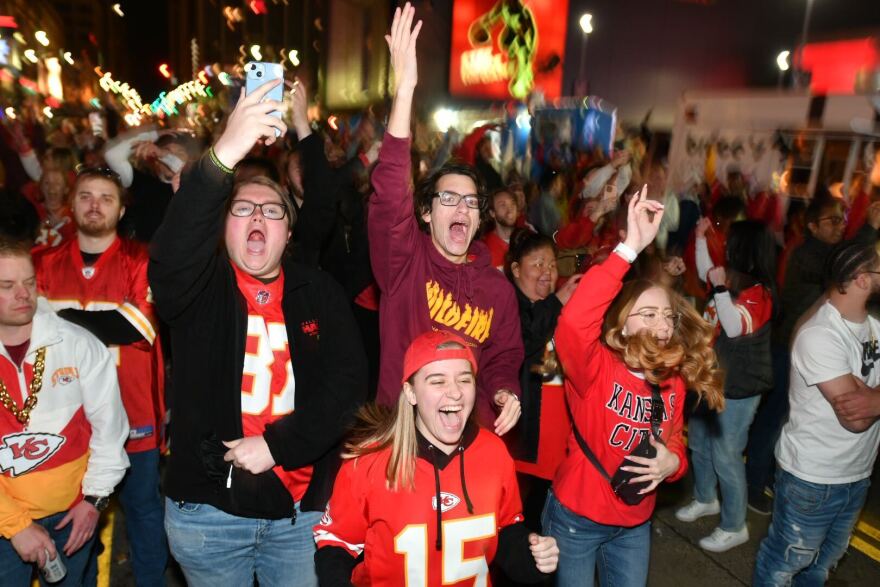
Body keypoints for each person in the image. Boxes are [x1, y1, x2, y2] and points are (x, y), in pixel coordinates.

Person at [148, 76, 367, 587]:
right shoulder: (201, 288)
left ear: (288, 233)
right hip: (210, 516)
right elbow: (173, 253)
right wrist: (224, 150)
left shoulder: (317, 291)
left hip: (298, 514)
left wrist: (277, 445)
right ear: (223, 227)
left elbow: (348, 387)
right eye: (242, 209)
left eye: (271, 212)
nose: (257, 219)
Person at [545, 187, 724, 586]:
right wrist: (629, 248)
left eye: (666, 315)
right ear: (622, 325)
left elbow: (674, 442)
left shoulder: (672, 381)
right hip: (578, 519)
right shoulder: (594, 368)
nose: (662, 325)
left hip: (634, 524)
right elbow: (573, 324)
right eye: (648, 313)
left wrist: (673, 463)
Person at [369, 2, 523, 435]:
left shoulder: (497, 289)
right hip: (400, 439)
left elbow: (502, 357)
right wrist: (405, 93)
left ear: (480, 219)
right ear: (425, 211)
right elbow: (388, 197)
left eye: (471, 203)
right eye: (449, 198)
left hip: (467, 443)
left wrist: (504, 391)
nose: (461, 208)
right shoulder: (405, 264)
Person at [313, 327, 559, 585]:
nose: (454, 392)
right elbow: (336, 546)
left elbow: (506, 531)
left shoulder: (495, 453)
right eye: (438, 380)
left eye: (465, 379)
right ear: (410, 393)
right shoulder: (369, 462)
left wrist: (534, 557)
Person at [33, 166, 168, 585]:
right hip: (64, 418)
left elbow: (135, 327)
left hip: (132, 413)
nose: (95, 205)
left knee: (143, 511)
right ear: (71, 205)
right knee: (72, 518)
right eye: (87, 196)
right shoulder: (42, 263)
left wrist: (58, 317)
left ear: (122, 209)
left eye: (106, 198)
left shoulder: (143, 260)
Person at [0, 237, 129, 586]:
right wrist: (15, 526)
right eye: (7, 286)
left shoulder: (77, 343)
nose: (23, 294)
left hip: (72, 515)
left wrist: (93, 501)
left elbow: (110, 429)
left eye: (28, 282)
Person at [753, 241, 880, 585]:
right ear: (862, 279)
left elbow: (866, 408)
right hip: (812, 479)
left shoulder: (874, 328)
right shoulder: (821, 335)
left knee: (822, 566)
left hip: (856, 474)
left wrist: (873, 399)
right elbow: (855, 419)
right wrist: (870, 401)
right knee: (784, 564)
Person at [747, 194, 880, 514]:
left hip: (808, 348)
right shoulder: (808, 255)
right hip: (791, 348)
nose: (840, 226)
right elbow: (844, 265)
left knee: (786, 415)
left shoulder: (825, 257)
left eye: (842, 219)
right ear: (811, 226)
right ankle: (755, 482)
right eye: (832, 221)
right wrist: (869, 228)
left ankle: (765, 476)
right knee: (778, 417)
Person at [675, 219, 776, 552]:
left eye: (732, 243)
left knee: (727, 455)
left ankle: (735, 525)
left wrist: (719, 289)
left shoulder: (758, 294)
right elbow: (708, 271)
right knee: (700, 443)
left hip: (739, 389)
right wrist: (700, 238)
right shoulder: (732, 277)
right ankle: (706, 498)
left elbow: (733, 327)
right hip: (714, 379)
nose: (727, 247)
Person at [504, 230, 581, 532]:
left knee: (554, 529)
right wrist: (559, 301)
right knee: (523, 526)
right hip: (525, 443)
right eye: (537, 264)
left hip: (561, 443)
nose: (547, 273)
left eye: (551, 265)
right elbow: (524, 341)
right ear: (515, 269)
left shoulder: (560, 305)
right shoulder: (509, 304)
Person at [484, 187, 520, 270]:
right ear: (492, 213)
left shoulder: (527, 240)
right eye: (502, 205)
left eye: (512, 203)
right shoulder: (484, 249)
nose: (510, 209)